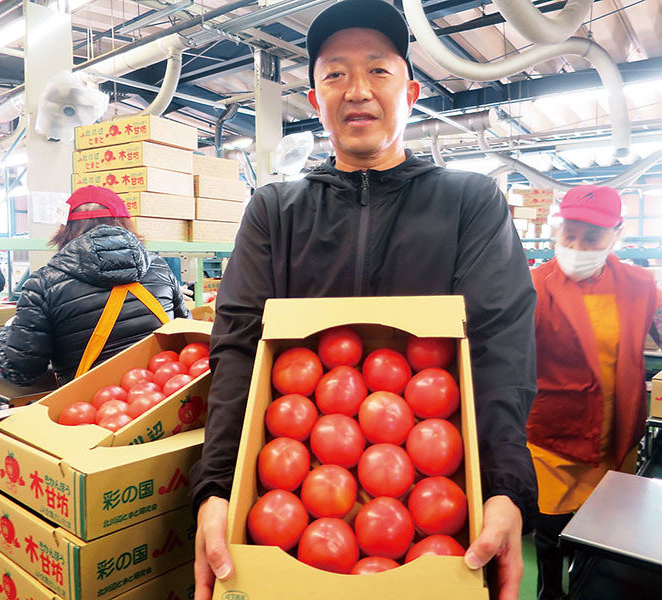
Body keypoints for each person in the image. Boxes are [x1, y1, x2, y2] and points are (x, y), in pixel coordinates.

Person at [190, 2, 538, 599]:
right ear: (313, 97)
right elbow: (239, 349)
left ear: (412, 91)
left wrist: (504, 486)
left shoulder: (469, 203)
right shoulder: (274, 210)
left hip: (436, 497)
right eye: (335, 74)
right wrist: (218, 488)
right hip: (293, 497)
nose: (357, 90)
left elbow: (500, 345)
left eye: (378, 71)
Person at [527, 185, 662, 600]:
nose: (577, 245)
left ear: (616, 235)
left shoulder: (638, 285)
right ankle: (550, 590)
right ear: (556, 232)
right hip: (550, 438)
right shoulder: (531, 286)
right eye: (569, 234)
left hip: (612, 438)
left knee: (599, 533)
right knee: (549, 533)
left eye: (592, 237)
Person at [0, 186, 190, 386]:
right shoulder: (159, 268)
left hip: (93, 408)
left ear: (65, 230)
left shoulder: (43, 284)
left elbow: (21, 369)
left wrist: (3, 336)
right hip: (164, 395)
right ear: (125, 223)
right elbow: (186, 334)